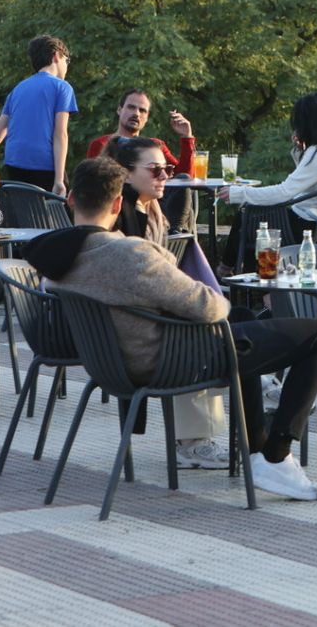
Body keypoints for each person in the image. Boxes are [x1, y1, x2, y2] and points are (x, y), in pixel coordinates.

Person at [24, 157, 317, 500]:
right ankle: (276, 452)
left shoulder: (52, 258)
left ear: (72, 199)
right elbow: (210, 306)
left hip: (109, 364)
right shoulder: (129, 254)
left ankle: (257, 448)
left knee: (241, 317)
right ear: (119, 202)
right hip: (171, 363)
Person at [106, 137, 230, 470]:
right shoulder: (121, 220)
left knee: (227, 320)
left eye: (168, 169)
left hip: (148, 322)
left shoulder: (152, 212)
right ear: (126, 174)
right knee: (203, 330)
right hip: (132, 339)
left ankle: (256, 391)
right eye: (156, 170)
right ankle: (195, 441)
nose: (165, 176)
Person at [217, 91, 317, 273]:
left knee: (247, 215)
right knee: (252, 218)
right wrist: (300, 150)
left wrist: (238, 193)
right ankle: (246, 283)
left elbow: (285, 191)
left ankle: (227, 272)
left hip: (306, 226)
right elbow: (308, 182)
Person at [0, 34, 78, 195]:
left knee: (25, 213)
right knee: (58, 216)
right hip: (44, 166)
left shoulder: (18, 89)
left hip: (14, 165)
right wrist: (59, 180)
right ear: (56, 56)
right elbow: (60, 134)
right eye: (66, 60)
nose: (67, 66)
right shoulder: (62, 87)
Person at [86, 89, 197, 175]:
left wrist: (186, 137)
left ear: (147, 117)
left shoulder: (156, 146)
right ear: (119, 110)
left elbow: (185, 178)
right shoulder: (101, 144)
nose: (136, 114)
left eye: (142, 110)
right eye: (131, 107)